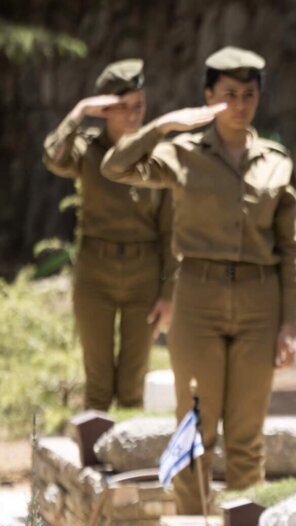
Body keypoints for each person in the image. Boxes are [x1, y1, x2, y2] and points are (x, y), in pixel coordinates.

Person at [102, 47, 296, 514]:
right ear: (208, 95)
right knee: (195, 424)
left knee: (247, 433)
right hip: (198, 297)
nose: (239, 104)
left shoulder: (276, 161)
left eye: (249, 94)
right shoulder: (181, 153)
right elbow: (116, 167)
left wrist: (288, 322)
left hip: (259, 301)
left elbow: (292, 249)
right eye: (228, 94)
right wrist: (165, 125)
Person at [43, 58, 176, 411]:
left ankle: (126, 461)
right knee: (98, 382)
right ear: (105, 110)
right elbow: (54, 158)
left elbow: (170, 232)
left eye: (139, 106)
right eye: (122, 108)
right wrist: (80, 110)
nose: (133, 116)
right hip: (95, 274)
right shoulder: (86, 150)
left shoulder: (158, 156)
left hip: (143, 277)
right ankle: (96, 461)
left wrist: (168, 293)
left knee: (133, 383)